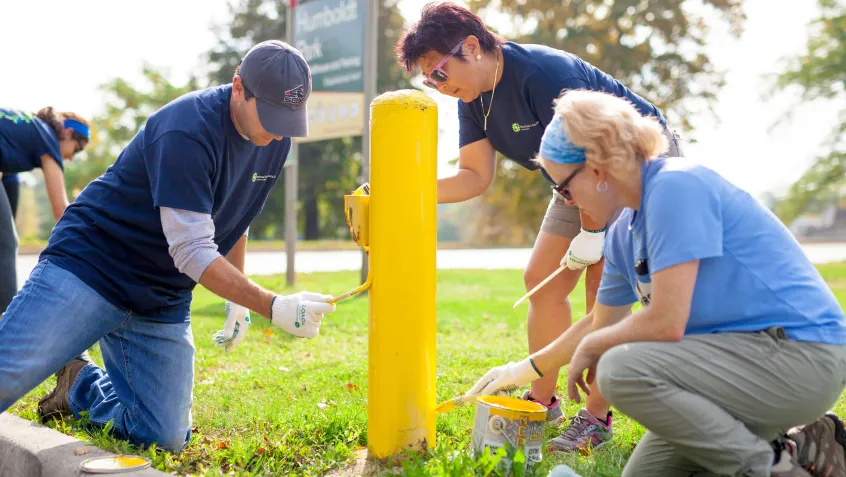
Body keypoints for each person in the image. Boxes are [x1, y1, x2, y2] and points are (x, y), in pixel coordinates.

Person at [467, 90, 846, 477]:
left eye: (563, 188)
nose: (566, 202)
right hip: (740, 368)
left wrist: (596, 347)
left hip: (800, 357)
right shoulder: (621, 233)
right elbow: (602, 321)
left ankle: (775, 468)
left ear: (597, 169)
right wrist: (522, 370)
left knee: (618, 369)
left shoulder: (674, 186)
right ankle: (801, 446)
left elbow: (666, 320)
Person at [0, 40, 336, 452]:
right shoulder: (186, 128)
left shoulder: (275, 139)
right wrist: (272, 305)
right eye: (268, 115)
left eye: (287, 119)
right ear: (237, 87)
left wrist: (240, 299)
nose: (275, 130)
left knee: (164, 436)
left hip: (160, 295)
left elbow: (237, 216)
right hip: (93, 266)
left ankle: (79, 385)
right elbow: (192, 249)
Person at [395, 1, 682, 450]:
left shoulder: (543, 73)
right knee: (540, 281)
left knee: (602, 287)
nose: (437, 86)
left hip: (630, 166)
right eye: (428, 79)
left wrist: (593, 234)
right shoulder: (472, 100)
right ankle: (542, 401)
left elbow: (596, 161)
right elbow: (474, 177)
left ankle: (595, 418)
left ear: (471, 47)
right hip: (573, 180)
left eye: (439, 73)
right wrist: (402, 187)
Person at [0, 107, 89, 313]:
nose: (71, 158)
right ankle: (5, 326)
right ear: (67, 133)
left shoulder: (27, 131)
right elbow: (60, 211)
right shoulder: (47, 137)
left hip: (8, 173)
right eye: (77, 149)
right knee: (7, 241)